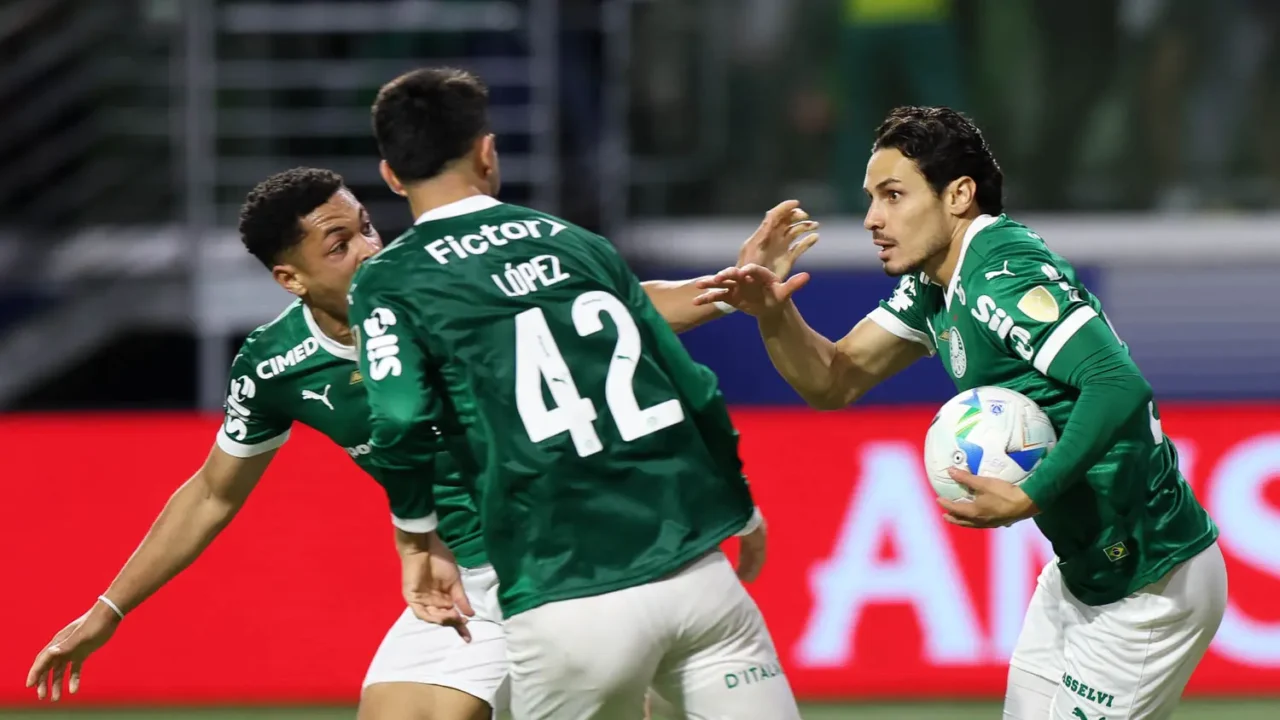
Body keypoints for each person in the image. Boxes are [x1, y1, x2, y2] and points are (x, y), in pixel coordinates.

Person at [24, 167, 814, 720]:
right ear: (290, 280)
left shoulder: (438, 285)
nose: (370, 248)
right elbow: (210, 492)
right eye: (339, 245)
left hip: (560, 563)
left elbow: (615, 306)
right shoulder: (274, 364)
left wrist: (730, 288)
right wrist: (107, 611)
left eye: (366, 225)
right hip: (465, 586)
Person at [694, 105, 1226, 720]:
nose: (872, 219)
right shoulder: (935, 284)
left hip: (1149, 581)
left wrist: (1031, 494)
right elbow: (833, 380)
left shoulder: (1001, 273)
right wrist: (772, 310)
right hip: (1083, 576)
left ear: (958, 196)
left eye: (894, 195)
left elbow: (1117, 383)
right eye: (871, 199)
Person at [348, 67, 805, 720]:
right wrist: (740, 505)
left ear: (392, 176)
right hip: (698, 581)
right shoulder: (575, 244)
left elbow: (399, 417)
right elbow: (693, 386)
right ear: (486, 152)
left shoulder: (391, 280)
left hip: (566, 596)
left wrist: (416, 539)